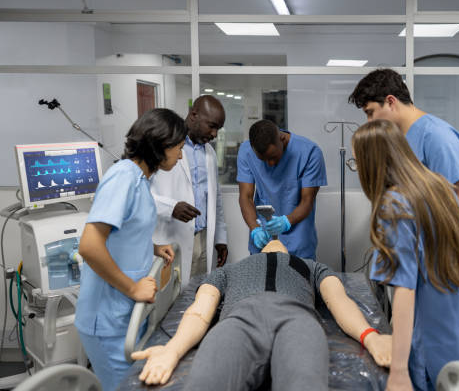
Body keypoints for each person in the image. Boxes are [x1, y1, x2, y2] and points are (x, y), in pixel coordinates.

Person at [352, 120, 459, 391]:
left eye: (357, 162)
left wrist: (398, 371)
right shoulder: (436, 185)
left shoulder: (394, 206)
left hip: (442, 340)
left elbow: (405, 291)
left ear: (371, 162)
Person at [131, 239, 392, 390]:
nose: (275, 240)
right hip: (240, 321)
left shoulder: (313, 267)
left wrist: (370, 336)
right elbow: (200, 309)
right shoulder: (228, 270)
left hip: (297, 320)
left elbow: (338, 301)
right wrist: (172, 350)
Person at [75, 108, 188, 391]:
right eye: (179, 148)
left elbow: (123, 229)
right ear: (161, 145)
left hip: (125, 314)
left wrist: (153, 247)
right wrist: (132, 289)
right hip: (108, 319)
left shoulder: (140, 179)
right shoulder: (122, 177)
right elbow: (89, 246)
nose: (181, 156)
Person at [349, 68, 459, 236]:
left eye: (370, 113)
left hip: (441, 254)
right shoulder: (399, 139)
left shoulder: (437, 136)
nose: (369, 121)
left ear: (390, 102)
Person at [150, 95, 228, 286]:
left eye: (218, 128)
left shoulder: (208, 152)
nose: (215, 134)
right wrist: (171, 207)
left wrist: (220, 237)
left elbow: (214, 197)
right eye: (212, 126)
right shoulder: (162, 145)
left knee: (196, 295)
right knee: (169, 300)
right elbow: (139, 195)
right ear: (193, 115)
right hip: (169, 237)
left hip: (202, 238)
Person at [237, 120, 327, 259]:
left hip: (298, 242)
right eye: (263, 160)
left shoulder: (310, 153)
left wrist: (286, 221)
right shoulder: (246, 151)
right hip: (263, 240)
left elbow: (307, 201)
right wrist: (255, 229)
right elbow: (246, 197)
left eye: (273, 157)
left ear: (282, 138)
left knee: (299, 279)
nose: (270, 164)